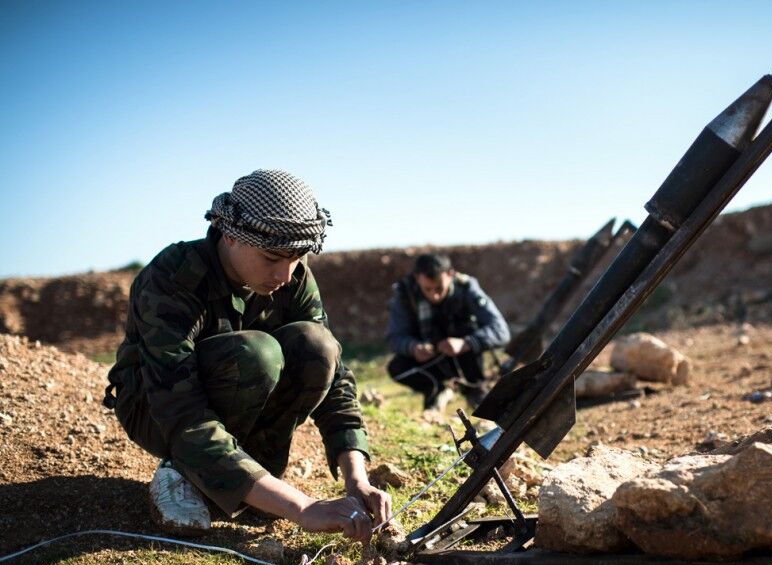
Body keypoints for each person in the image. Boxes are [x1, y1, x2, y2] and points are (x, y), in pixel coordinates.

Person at [104, 169, 391, 540]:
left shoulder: (293, 275)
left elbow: (334, 380)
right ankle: (182, 471)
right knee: (257, 354)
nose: (285, 275)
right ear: (230, 235)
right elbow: (180, 411)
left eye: (296, 258)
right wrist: (300, 507)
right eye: (272, 258)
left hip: (224, 402)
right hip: (155, 408)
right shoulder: (173, 279)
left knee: (316, 345)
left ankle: (250, 477)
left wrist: (357, 480)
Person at [385, 254, 510, 412]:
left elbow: (500, 330)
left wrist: (466, 343)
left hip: (465, 358)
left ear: (450, 275)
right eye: (428, 289)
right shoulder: (405, 294)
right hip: (429, 361)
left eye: (439, 288)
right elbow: (394, 337)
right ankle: (436, 390)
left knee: (469, 329)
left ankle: (475, 391)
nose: (434, 296)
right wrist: (413, 347)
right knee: (397, 367)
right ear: (417, 278)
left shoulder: (466, 288)